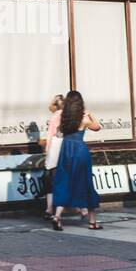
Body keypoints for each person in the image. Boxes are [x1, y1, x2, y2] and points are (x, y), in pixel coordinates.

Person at [52, 91, 102, 230]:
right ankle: (92, 222)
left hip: (66, 150)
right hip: (80, 151)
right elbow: (97, 127)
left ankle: (57, 216)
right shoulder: (84, 118)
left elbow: (58, 133)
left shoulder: (65, 118)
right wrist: (90, 114)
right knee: (86, 184)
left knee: (64, 182)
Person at [41, 94, 65, 218]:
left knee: (50, 181)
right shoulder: (67, 117)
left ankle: (49, 208)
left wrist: (47, 153)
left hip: (54, 151)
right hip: (65, 151)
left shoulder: (54, 117)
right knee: (65, 180)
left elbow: (50, 137)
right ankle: (81, 209)